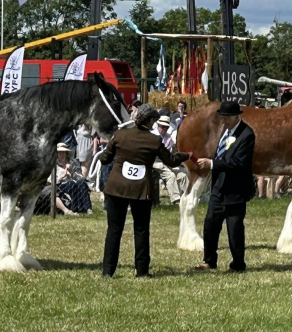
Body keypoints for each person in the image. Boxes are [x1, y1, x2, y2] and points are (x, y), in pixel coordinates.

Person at [99, 104, 190, 278]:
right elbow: (171, 160)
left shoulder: (120, 135)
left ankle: (107, 272)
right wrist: (187, 155)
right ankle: (141, 271)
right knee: (141, 229)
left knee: (114, 230)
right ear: (148, 121)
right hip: (140, 189)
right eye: (154, 120)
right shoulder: (154, 140)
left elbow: (104, 159)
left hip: (116, 187)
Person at [193, 100, 256, 273]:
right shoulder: (225, 131)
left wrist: (212, 164)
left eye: (226, 118)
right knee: (210, 224)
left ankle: (237, 264)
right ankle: (209, 260)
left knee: (234, 228)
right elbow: (222, 153)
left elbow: (238, 163)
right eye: (222, 117)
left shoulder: (247, 135)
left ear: (236, 117)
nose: (223, 121)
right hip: (219, 188)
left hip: (235, 190)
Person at [152, 115, 187, 205]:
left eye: (166, 127)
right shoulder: (152, 135)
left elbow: (172, 154)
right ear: (158, 125)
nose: (164, 129)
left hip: (167, 161)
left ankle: (189, 196)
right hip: (155, 161)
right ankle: (176, 200)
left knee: (182, 175)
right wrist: (166, 148)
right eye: (162, 127)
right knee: (170, 176)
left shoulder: (168, 137)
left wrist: (174, 148)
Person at [54, 143, 92, 214]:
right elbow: (52, 181)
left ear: (66, 153)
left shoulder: (73, 162)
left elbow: (81, 177)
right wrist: (61, 177)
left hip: (74, 181)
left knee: (82, 183)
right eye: (59, 152)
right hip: (60, 185)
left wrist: (71, 172)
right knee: (70, 184)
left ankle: (87, 208)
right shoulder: (54, 165)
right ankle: (74, 207)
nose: (61, 154)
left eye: (63, 152)